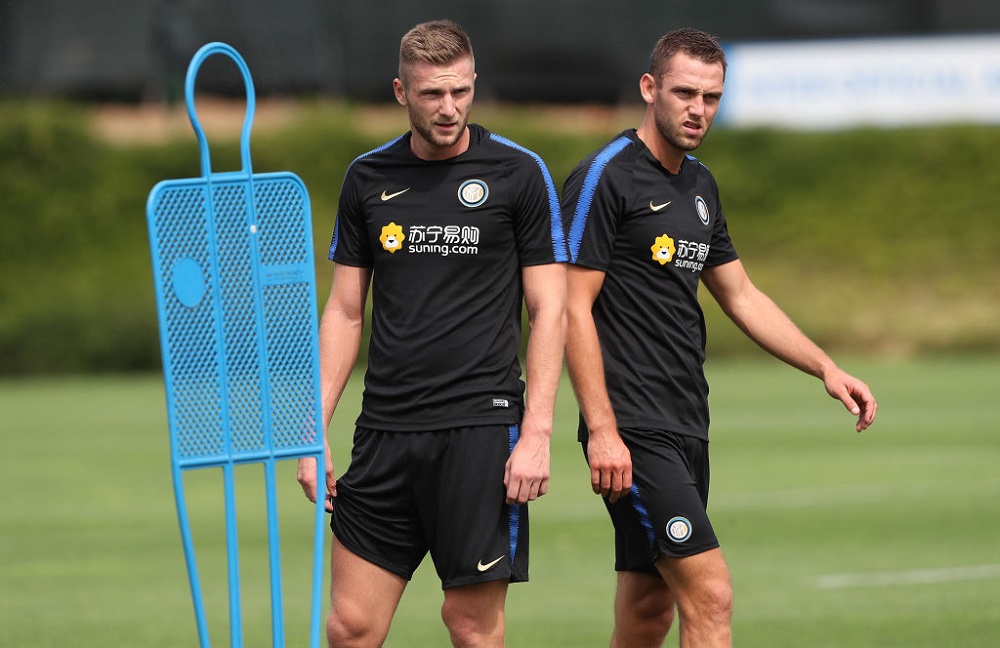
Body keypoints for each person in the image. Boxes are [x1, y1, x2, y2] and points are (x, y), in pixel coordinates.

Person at [561, 28, 878, 647]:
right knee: (710, 595)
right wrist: (601, 429)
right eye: (684, 93)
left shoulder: (700, 185)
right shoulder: (605, 176)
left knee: (648, 606)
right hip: (632, 426)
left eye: (710, 97)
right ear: (649, 88)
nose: (697, 109)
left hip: (687, 419)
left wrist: (825, 367)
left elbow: (741, 294)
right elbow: (572, 309)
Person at [296, 19, 567, 648]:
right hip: (385, 430)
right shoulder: (367, 177)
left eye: (460, 91)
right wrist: (311, 431)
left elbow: (549, 309)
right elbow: (345, 313)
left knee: (470, 626)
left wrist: (537, 433)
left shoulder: (519, 173)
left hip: (479, 431)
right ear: (401, 92)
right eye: (432, 94)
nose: (449, 108)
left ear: (473, 84)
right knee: (350, 627)